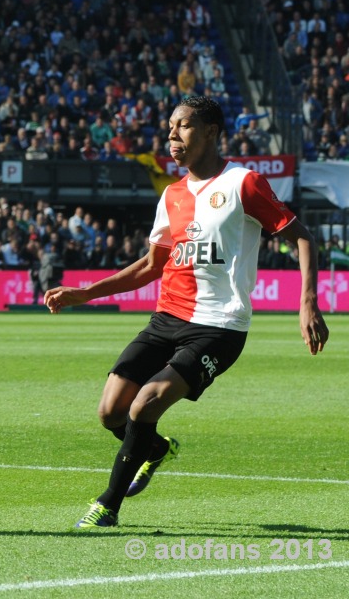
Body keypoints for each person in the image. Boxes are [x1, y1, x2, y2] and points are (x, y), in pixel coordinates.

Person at [44, 96, 329, 530]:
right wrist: (87, 293)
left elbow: (302, 237)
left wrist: (307, 301)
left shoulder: (244, 183)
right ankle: (155, 450)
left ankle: (108, 504)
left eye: (184, 126)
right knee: (110, 412)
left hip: (219, 326)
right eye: (170, 127)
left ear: (212, 131)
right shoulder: (172, 194)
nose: (172, 135)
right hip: (166, 319)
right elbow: (150, 266)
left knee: (146, 403)